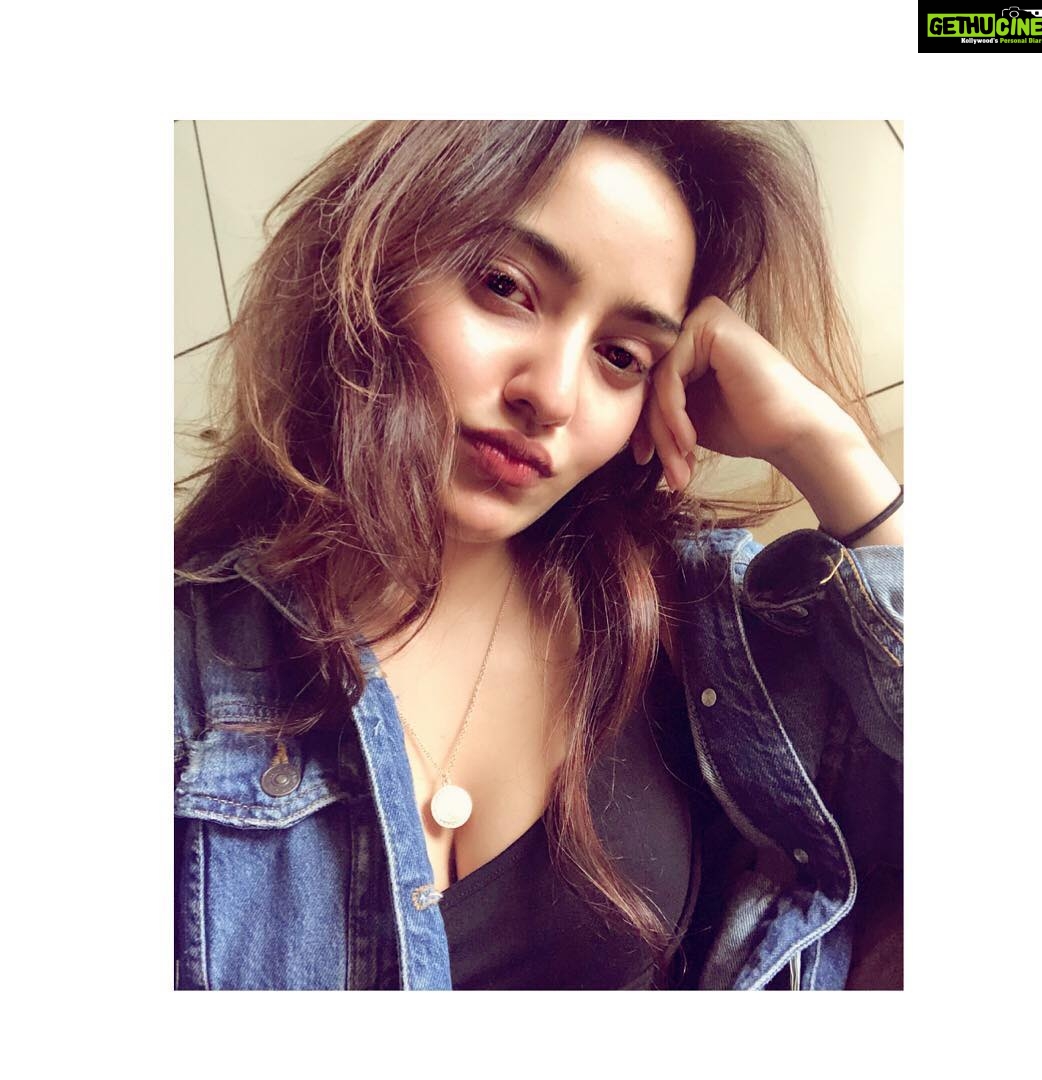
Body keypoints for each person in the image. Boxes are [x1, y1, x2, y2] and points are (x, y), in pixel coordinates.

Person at [174, 120, 903, 991]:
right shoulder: (185, 664)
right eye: (505, 287)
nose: (552, 395)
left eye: (621, 357)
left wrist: (828, 451)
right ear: (373, 264)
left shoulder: (690, 622)